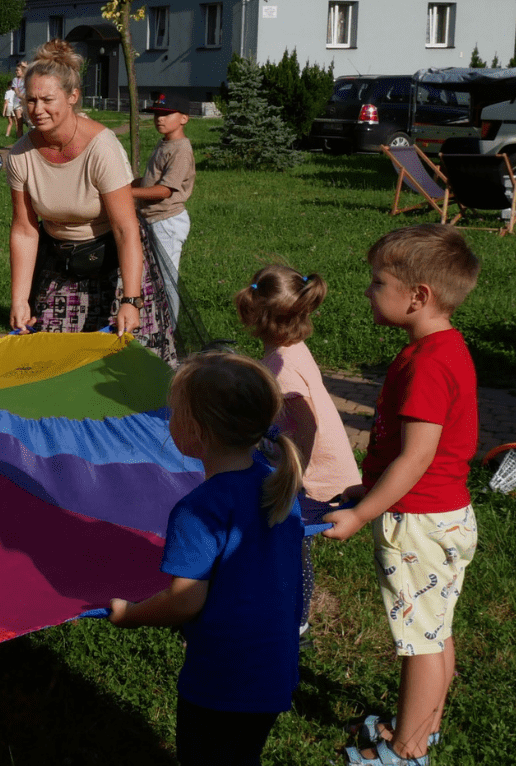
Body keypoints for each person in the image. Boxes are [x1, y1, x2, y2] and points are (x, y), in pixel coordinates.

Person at [322, 224, 481, 766]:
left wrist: (363, 512)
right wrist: (367, 485)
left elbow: (416, 457)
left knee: (419, 643)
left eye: (377, 281)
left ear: (419, 296)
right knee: (436, 629)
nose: (368, 290)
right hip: (447, 515)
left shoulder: (429, 365)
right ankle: (425, 728)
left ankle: (407, 753)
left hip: (417, 522)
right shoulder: (444, 348)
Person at [109, 351, 304, 766]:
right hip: (274, 669)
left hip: (223, 678)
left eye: (174, 411)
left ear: (194, 432)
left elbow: (185, 600)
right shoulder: (280, 487)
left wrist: (131, 615)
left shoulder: (199, 509)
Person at [6, 40, 177, 365]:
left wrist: (131, 299)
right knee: (56, 363)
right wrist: (19, 299)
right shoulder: (20, 156)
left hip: (117, 261)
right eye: (30, 100)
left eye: (47, 99)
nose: (37, 109)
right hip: (63, 262)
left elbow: (126, 228)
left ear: (72, 98)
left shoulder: (102, 148)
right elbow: (25, 231)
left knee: (128, 367)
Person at [235, 266, 358, 637]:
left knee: (287, 542)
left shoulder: (281, 367)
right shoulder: (291, 350)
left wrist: (294, 476)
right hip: (311, 471)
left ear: (255, 314)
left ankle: (295, 621)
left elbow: (308, 425)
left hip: (313, 481)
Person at [132, 94, 195, 321]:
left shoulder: (181, 149)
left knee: (166, 279)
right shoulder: (165, 143)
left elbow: (164, 191)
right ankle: (155, 324)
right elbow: (151, 180)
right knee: (151, 277)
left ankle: (170, 333)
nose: (160, 119)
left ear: (184, 119)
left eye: (167, 114)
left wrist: (125, 194)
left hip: (166, 221)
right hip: (152, 219)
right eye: (157, 113)